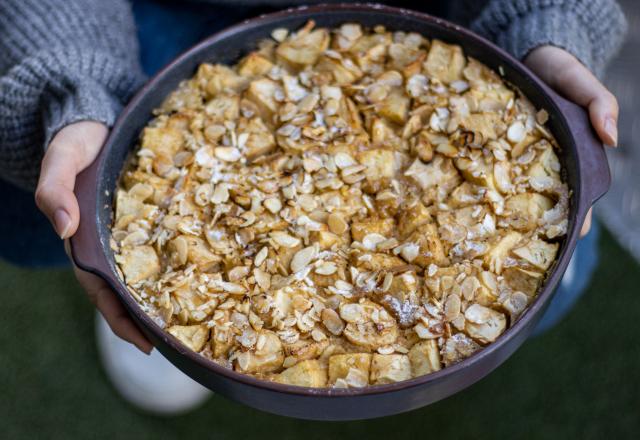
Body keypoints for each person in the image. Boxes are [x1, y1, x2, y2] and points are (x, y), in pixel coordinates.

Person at [0, 0, 627, 414]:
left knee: (554, 284)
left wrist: (543, 21)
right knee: (36, 215)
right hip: (161, 14)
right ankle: (188, 316)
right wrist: (73, 84)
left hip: (434, 14)